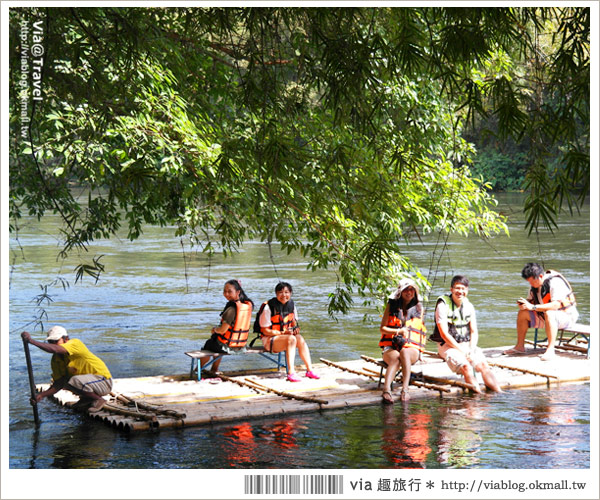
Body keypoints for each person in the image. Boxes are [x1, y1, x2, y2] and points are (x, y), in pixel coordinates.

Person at [429, 275, 501, 393]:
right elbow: (444, 333)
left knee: (483, 366)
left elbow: (473, 331)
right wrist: (462, 351)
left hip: (467, 345)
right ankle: (477, 395)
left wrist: (471, 350)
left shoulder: (469, 306)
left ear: (467, 290)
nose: (460, 292)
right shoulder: (442, 305)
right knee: (466, 367)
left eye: (463, 289)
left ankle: (499, 393)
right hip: (447, 346)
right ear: (451, 289)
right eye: (457, 288)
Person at [21, 326, 113, 412]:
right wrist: (41, 395)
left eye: (55, 341)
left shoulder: (75, 343)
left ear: (66, 339)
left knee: (74, 380)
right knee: (66, 382)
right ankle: (87, 399)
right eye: (50, 342)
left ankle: (99, 399)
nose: (53, 344)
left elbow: (55, 349)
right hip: (89, 384)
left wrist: (31, 341)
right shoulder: (56, 360)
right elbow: (58, 384)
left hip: (103, 382)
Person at [504, 262, 578, 361]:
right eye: (529, 282)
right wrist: (524, 306)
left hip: (566, 317)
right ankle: (520, 347)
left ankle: (550, 350)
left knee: (549, 313)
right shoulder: (533, 286)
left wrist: (533, 307)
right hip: (545, 317)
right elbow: (531, 303)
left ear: (540, 276)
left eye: (532, 282)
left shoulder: (555, 282)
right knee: (522, 314)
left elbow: (556, 305)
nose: (531, 284)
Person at [255, 282, 320, 382]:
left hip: (286, 338)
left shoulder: (292, 305)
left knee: (299, 338)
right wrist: (282, 333)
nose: (284, 295)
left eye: (286, 292)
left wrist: (295, 330)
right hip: (269, 341)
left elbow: (293, 323)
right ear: (276, 294)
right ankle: (291, 373)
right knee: (291, 339)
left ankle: (309, 370)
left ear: (290, 293)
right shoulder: (268, 307)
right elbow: (265, 330)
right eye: (280, 292)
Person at [379, 278, 427, 404]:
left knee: (405, 353)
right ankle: (386, 389)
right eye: (406, 289)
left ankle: (405, 389)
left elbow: (421, 331)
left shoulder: (419, 309)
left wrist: (421, 353)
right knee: (395, 358)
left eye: (412, 289)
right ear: (400, 292)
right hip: (392, 346)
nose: (409, 292)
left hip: (411, 348)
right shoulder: (391, 306)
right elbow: (382, 329)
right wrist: (398, 332)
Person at [200, 279, 254, 373]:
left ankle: (198, 370)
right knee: (216, 341)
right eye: (224, 291)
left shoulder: (232, 309)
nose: (226, 294)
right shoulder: (245, 306)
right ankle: (214, 369)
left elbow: (222, 330)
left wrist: (214, 330)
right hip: (240, 345)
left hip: (228, 346)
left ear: (238, 292)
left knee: (210, 344)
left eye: (229, 291)